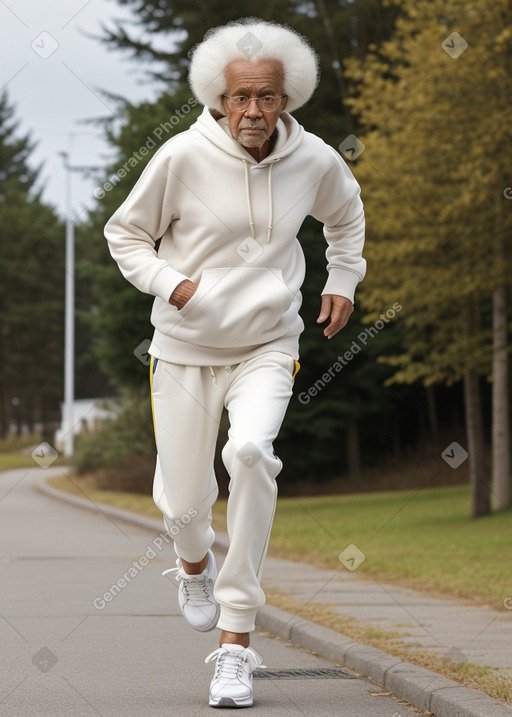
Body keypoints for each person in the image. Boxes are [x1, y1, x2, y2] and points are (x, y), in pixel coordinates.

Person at [105, 17, 365, 709]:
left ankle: (235, 644)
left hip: (267, 345)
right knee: (185, 504)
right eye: (241, 97)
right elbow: (125, 234)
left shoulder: (314, 160)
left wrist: (343, 278)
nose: (254, 111)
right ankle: (192, 560)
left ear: (288, 99)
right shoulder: (181, 158)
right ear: (219, 98)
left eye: (268, 97)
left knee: (251, 452)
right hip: (184, 350)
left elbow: (345, 215)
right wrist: (175, 284)